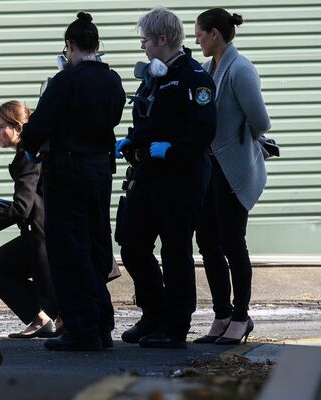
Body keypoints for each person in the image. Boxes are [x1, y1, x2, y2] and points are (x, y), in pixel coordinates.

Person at [20, 12, 126, 351]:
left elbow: (39, 128)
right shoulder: (113, 80)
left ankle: (81, 329)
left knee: (69, 251)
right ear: (97, 45)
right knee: (97, 246)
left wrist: (28, 148)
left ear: (70, 46)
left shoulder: (64, 81)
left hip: (68, 174)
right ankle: (102, 324)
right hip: (100, 171)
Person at [114, 7, 217, 348]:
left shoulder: (193, 77)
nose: (143, 47)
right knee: (132, 243)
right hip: (148, 172)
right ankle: (153, 313)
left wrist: (171, 150)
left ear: (163, 39)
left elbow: (204, 131)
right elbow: (148, 119)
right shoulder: (154, 76)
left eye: (145, 40)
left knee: (175, 250)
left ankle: (175, 325)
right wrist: (134, 139)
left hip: (180, 176)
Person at [193, 8, 270, 345]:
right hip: (209, 168)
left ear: (214, 34)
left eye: (199, 33)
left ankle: (241, 316)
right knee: (207, 241)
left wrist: (239, 140)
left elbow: (260, 121)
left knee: (232, 242)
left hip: (233, 168)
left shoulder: (240, 69)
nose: (196, 39)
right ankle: (222, 313)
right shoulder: (209, 68)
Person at [0, 100, 61, 339]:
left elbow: (22, 208)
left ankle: (45, 316)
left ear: (18, 128)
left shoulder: (27, 158)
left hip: (42, 236)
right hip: (40, 234)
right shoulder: (29, 154)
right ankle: (44, 316)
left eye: (0, 126)